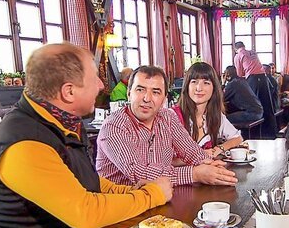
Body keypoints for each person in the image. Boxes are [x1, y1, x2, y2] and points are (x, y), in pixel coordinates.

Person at [0, 43, 172, 228]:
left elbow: (87, 181)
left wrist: (132, 191)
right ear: (69, 92)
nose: (101, 85)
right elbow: (84, 213)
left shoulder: (59, 122)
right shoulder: (24, 143)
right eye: (94, 79)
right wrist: (151, 195)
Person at [96, 65, 238, 187]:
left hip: (159, 200)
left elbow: (190, 150)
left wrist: (209, 164)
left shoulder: (167, 117)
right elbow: (139, 173)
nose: (147, 98)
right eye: (140, 90)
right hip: (121, 204)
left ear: (164, 99)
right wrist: (195, 174)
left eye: (156, 92)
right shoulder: (114, 125)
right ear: (129, 94)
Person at [172, 62, 244, 158]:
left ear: (214, 88)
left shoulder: (215, 115)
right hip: (180, 172)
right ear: (187, 86)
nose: (199, 88)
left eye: (206, 83)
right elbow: (166, 160)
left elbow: (238, 138)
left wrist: (219, 148)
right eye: (194, 82)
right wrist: (202, 154)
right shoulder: (173, 116)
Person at [233, 41, 277, 137]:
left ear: (236, 49)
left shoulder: (238, 55)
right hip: (263, 77)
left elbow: (239, 74)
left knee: (254, 106)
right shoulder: (253, 52)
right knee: (267, 105)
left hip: (253, 79)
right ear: (244, 46)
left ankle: (254, 135)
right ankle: (271, 133)